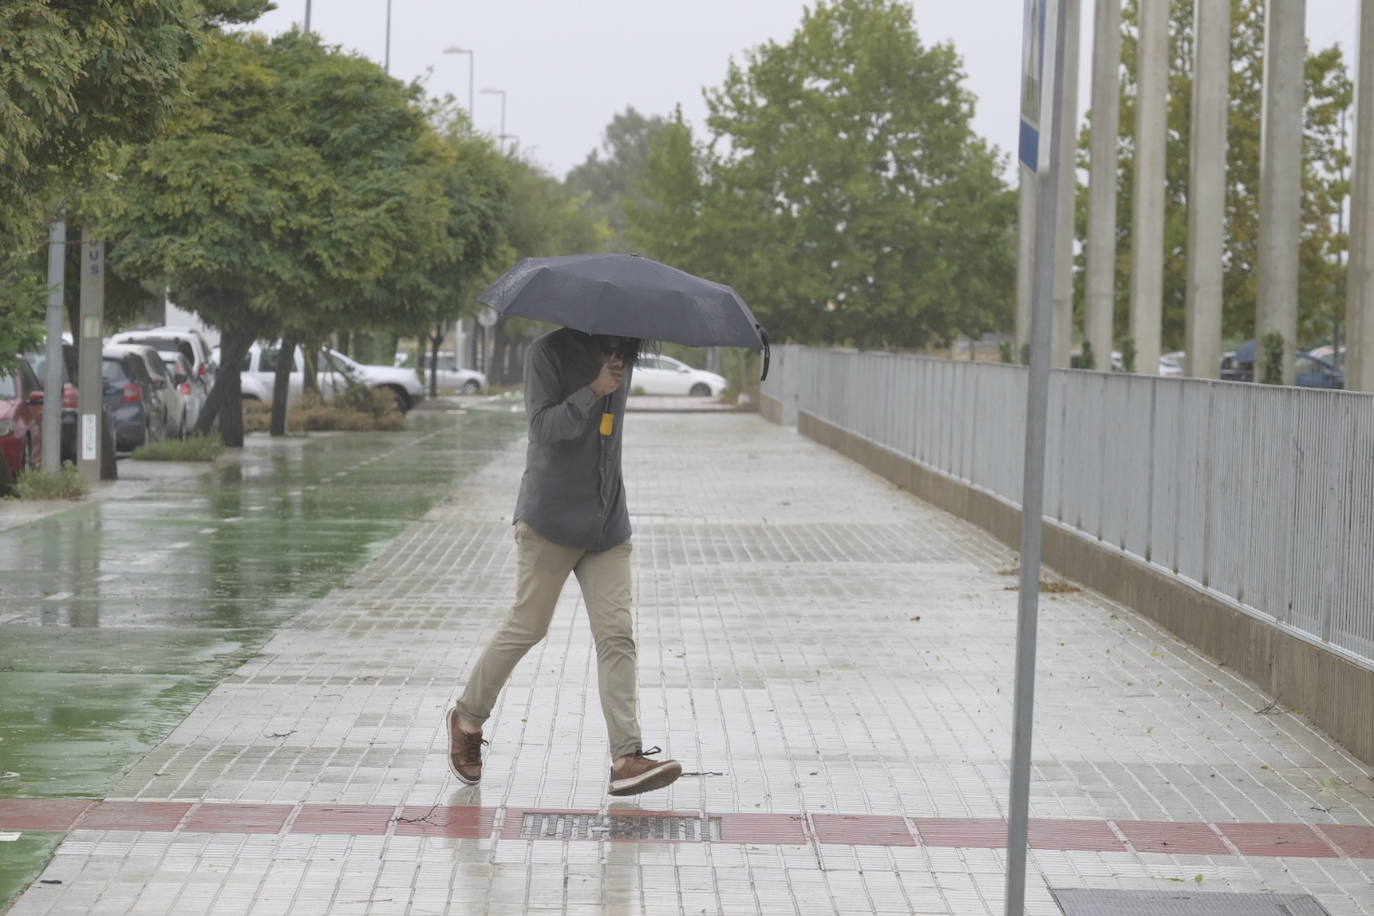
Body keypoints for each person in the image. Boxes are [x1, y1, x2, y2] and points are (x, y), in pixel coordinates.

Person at [446, 328, 683, 797]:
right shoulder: (547, 352)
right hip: (551, 518)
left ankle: (626, 757)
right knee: (528, 627)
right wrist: (593, 390)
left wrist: (611, 378)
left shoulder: (623, 354)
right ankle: (467, 719)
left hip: (607, 524)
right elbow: (543, 428)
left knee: (617, 634)